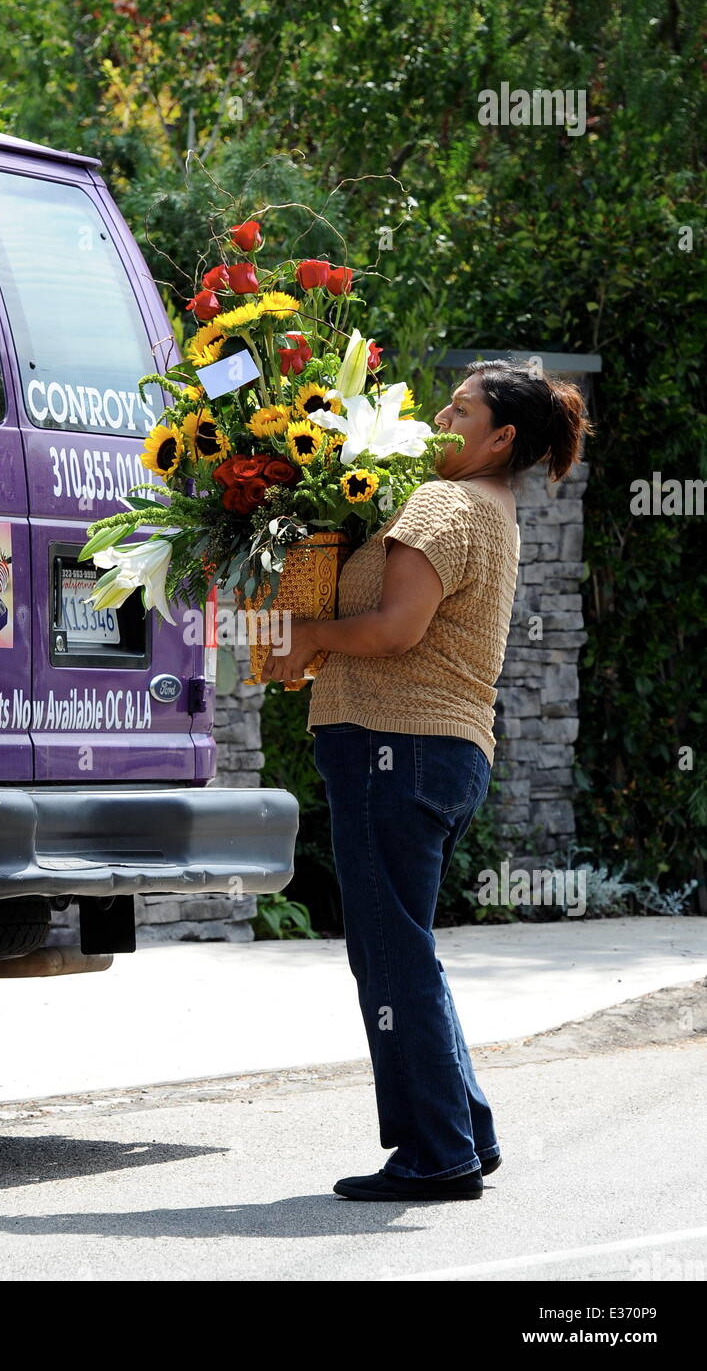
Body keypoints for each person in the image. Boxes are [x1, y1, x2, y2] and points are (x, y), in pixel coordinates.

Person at [260, 359, 593, 1200]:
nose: (441, 415)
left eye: (459, 408)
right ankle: (462, 1134)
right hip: (431, 752)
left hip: (394, 742)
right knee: (405, 948)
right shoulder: (489, 505)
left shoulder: (446, 503)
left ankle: (433, 1153)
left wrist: (309, 639)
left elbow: (396, 629)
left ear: (500, 436)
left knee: (389, 954)